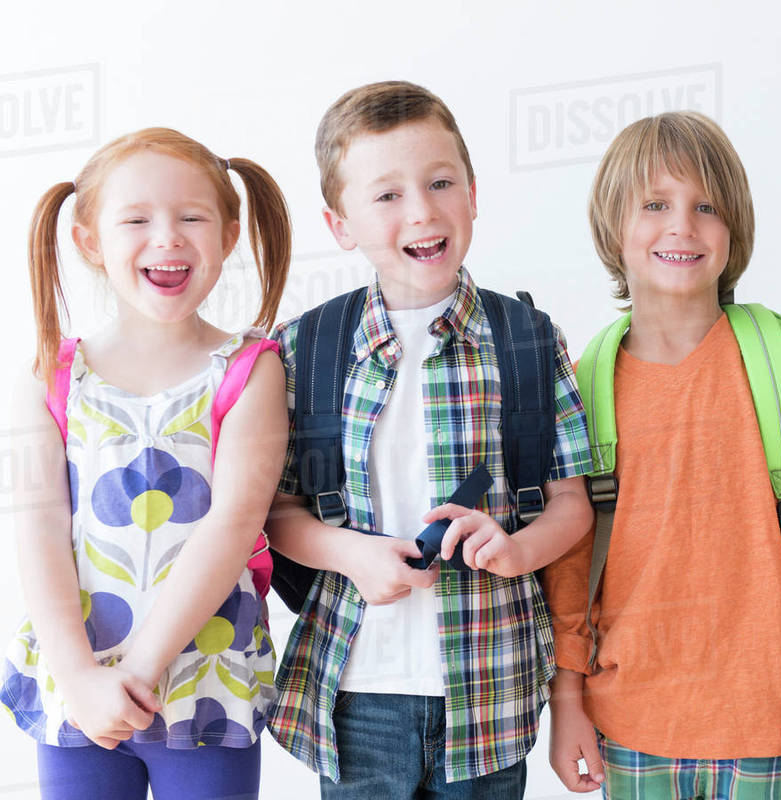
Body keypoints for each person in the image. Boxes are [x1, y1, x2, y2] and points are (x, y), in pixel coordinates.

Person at [264, 80, 594, 798]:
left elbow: (572, 503)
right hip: (354, 690)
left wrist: (518, 550)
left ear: (472, 194)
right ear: (340, 223)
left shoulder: (529, 342)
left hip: (489, 689)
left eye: (441, 182)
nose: (422, 210)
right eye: (387, 195)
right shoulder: (306, 348)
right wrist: (350, 553)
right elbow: (275, 513)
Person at [543, 111, 781, 800]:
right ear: (613, 228)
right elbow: (569, 577)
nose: (682, 226)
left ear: (734, 229)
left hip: (769, 717)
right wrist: (565, 704)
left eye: (705, 207)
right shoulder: (584, 384)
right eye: (655, 205)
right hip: (629, 719)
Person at [1, 127, 291, 799]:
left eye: (191, 217)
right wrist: (79, 680)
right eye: (137, 219)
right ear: (90, 241)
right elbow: (39, 528)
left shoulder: (251, 371)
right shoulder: (51, 373)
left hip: (203, 685)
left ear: (227, 233)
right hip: (80, 688)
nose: (167, 238)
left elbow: (231, 526)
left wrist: (137, 672)